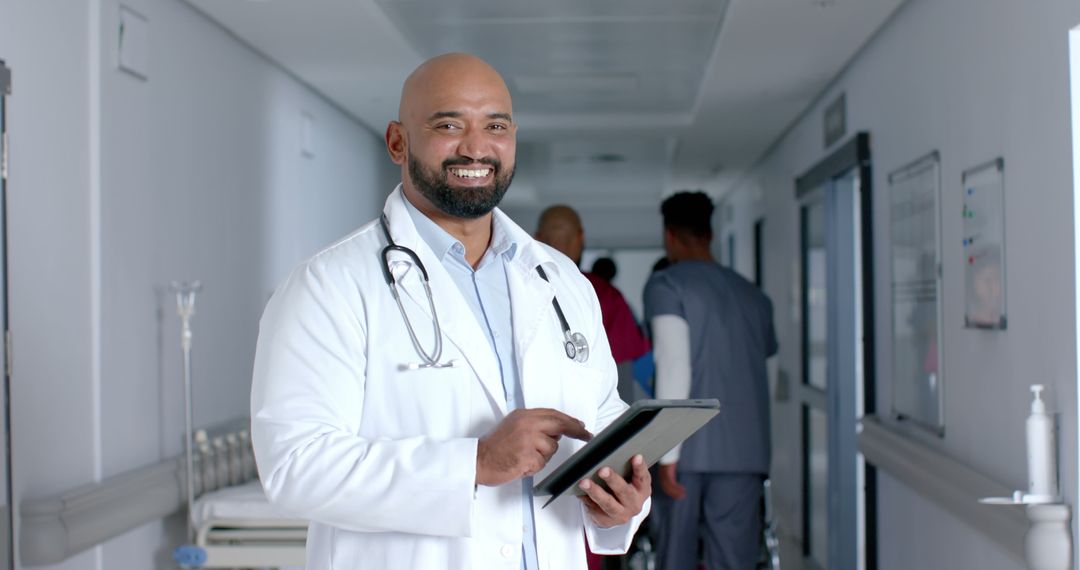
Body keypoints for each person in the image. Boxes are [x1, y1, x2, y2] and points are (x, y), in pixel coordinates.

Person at [250, 53, 650, 570]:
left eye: (496, 126)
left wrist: (619, 502)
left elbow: (601, 416)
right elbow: (293, 467)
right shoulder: (329, 285)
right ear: (398, 142)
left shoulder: (560, 280)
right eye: (448, 124)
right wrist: (475, 463)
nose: (476, 147)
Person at [643, 191, 778, 570]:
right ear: (711, 234)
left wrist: (667, 454)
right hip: (745, 451)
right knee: (735, 559)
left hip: (686, 453)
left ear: (669, 235)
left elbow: (673, 366)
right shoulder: (753, 296)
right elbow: (763, 370)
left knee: (676, 556)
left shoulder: (667, 285)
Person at [535, 205, 651, 403]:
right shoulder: (607, 295)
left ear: (536, 238)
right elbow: (621, 375)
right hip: (598, 418)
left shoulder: (517, 288)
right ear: (581, 238)